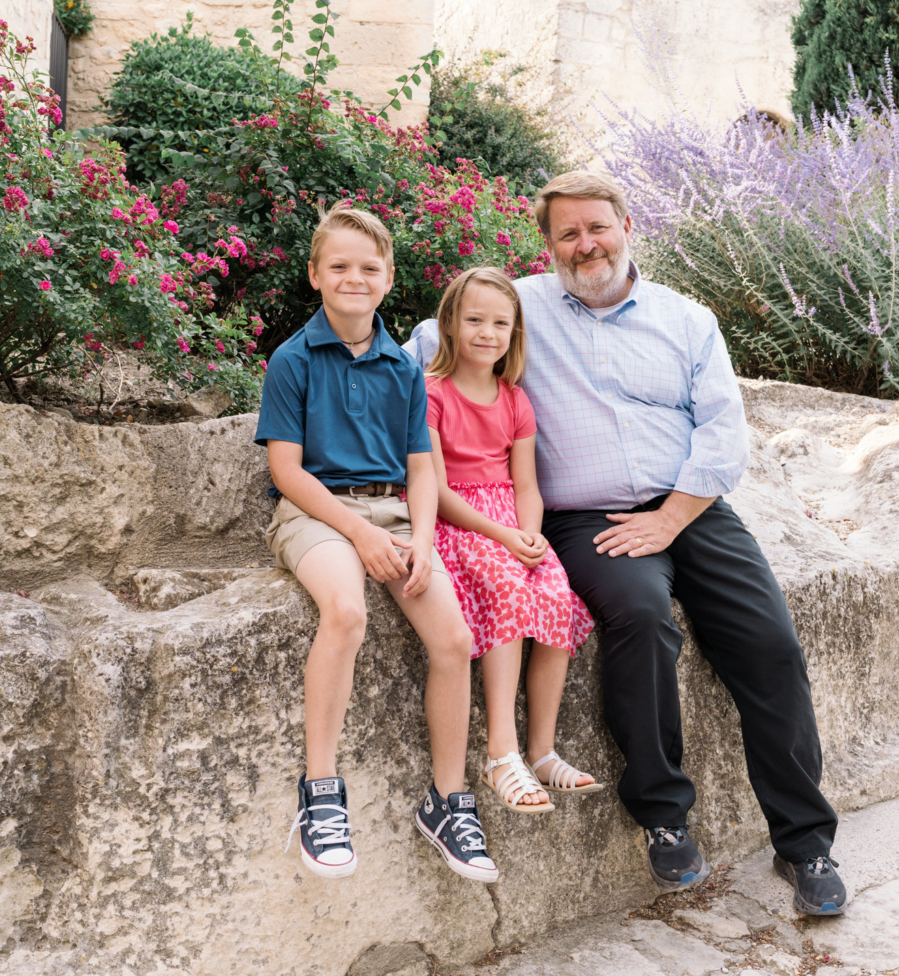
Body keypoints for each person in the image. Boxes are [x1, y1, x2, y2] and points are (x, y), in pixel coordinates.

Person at [404, 172, 848, 915]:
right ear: (548, 246)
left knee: (770, 643)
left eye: (597, 228)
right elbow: (431, 344)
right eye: (567, 234)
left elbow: (722, 432)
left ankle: (805, 840)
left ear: (627, 225)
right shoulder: (520, 308)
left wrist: (671, 518)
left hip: (692, 509)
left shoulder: (685, 319)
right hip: (585, 521)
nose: (585, 245)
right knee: (642, 621)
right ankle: (664, 819)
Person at [255, 202, 497, 884]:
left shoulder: (402, 367)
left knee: (453, 640)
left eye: (368, 268)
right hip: (316, 514)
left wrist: (421, 538)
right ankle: (321, 791)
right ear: (315, 274)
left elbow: (422, 468)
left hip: (394, 513)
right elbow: (286, 470)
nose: (353, 278)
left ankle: (447, 801)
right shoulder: (293, 358)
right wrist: (360, 533)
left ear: (389, 278)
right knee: (348, 612)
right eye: (339, 266)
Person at [422, 267, 602, 815]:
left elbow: (526, 483)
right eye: (474, 319)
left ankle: (541, 750)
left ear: (514, 333)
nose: (487, 333)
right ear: (450, 324)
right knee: (505, 588)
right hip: (460, 524)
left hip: (510, 521)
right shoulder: (430, 394)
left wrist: (530, 536)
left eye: (501, 323)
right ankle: (500, 751)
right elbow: (436, 488)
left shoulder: (515, 399)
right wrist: (501, 535)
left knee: (554, 591)